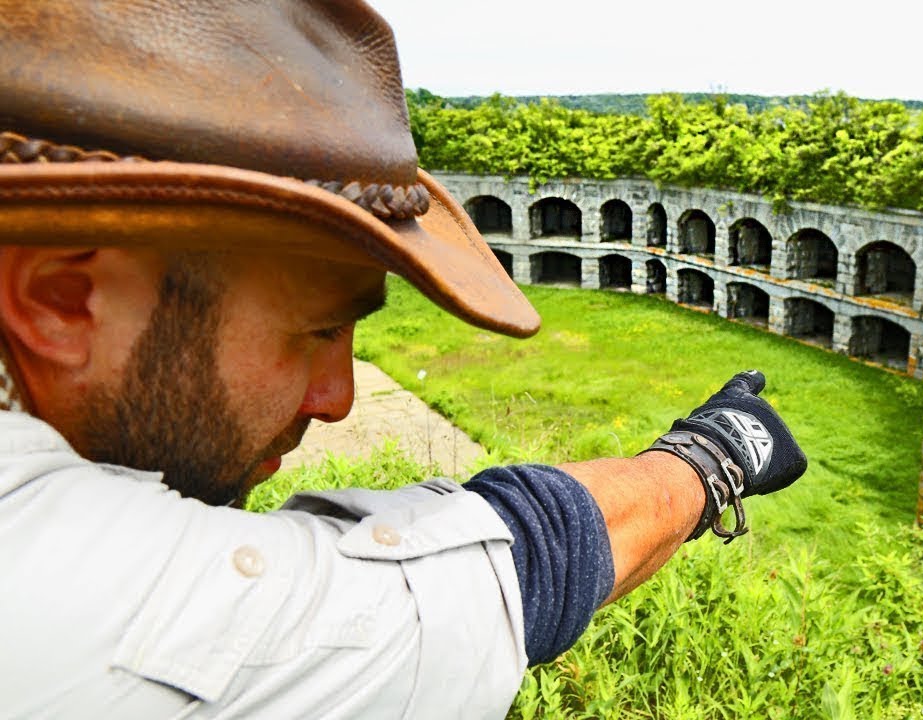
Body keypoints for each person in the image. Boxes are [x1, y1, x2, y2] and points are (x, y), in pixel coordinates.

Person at [0, 2, 808, 718]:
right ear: (62, 299)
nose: (339, 397)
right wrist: (715, 455)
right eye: (315, 331)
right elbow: (512, 574)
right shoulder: (63, 596)